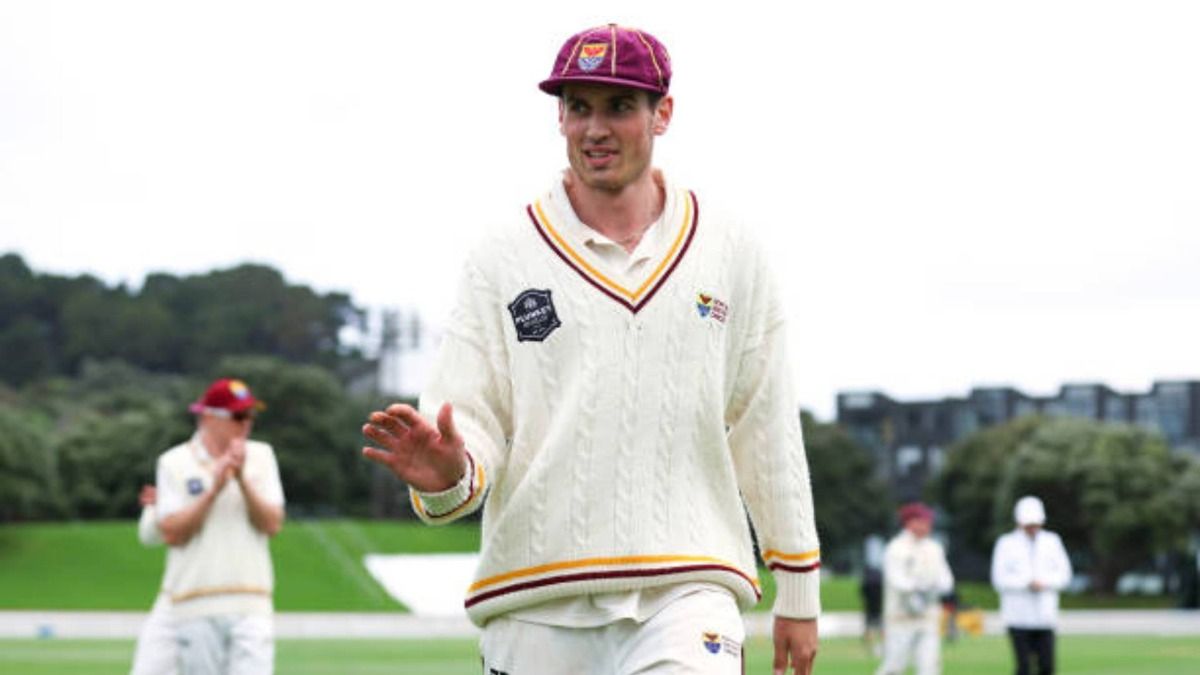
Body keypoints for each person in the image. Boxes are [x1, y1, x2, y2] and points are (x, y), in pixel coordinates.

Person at [362, 23, 821, 675]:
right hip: (534, 596)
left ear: (663, 112)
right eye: (578, 107)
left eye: (619, 106)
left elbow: (766, 422)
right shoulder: (502, 255)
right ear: (559, 117)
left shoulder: (732, 251)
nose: (595, 128)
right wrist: (449, 477)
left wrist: (798, 586)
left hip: (688, 590)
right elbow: (470, 426)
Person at [155, 378, 285, 675]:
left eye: (251, 416)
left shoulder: (262, 456)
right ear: (209, 416)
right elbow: (173, 532)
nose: (247, 424)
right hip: (196, 603)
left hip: (252, 602)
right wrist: (213, 490)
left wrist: (241, 480)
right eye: (239, 416)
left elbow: (272, 523)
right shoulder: (173, 462)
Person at [991, 495, 1073, 675]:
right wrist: (1026, 583)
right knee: (1024, 667)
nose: (1032, 528)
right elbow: (999, 579)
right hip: (1018, 616)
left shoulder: (1052, 541)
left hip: (1045, 616)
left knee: (1047, 667)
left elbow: (1064, 575)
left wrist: (1045, 583)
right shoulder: (1006, 543)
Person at [875, 503, 954, 675]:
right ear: (909, 522)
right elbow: (897, 580)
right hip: (900, 618)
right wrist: (918, 587)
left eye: (928, 521)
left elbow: (946, 581)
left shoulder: (934, 548)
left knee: (930, 668)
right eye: (923, 521)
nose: (927, 525)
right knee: (894, 667)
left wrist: (933, 589)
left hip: (928, 618)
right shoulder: (896, 548)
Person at [130, 484, 178, 675]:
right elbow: (148, 536)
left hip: (234, 596)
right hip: (176, 596)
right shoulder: (174, 463)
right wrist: (160, 508)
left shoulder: (256, 461)